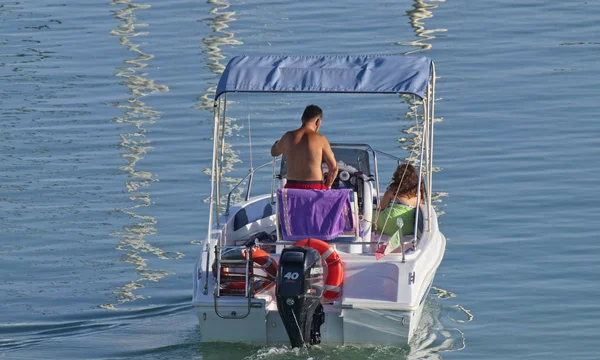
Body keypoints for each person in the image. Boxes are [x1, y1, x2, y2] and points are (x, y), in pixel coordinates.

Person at [270, 104, 338, 190]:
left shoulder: (288, 136)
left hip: (292, 188)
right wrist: (328, 186)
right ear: (318, 122)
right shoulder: (321, 139)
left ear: (302, 119)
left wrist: (278, 142)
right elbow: (334, 168)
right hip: (315, 188)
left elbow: (274, 152)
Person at [376, 163, 425, 236]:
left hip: (388, 224)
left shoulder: (392, 191)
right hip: (407, 229)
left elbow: (381, 208)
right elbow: (422, 202)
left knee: (369, 215)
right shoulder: (418, 193)